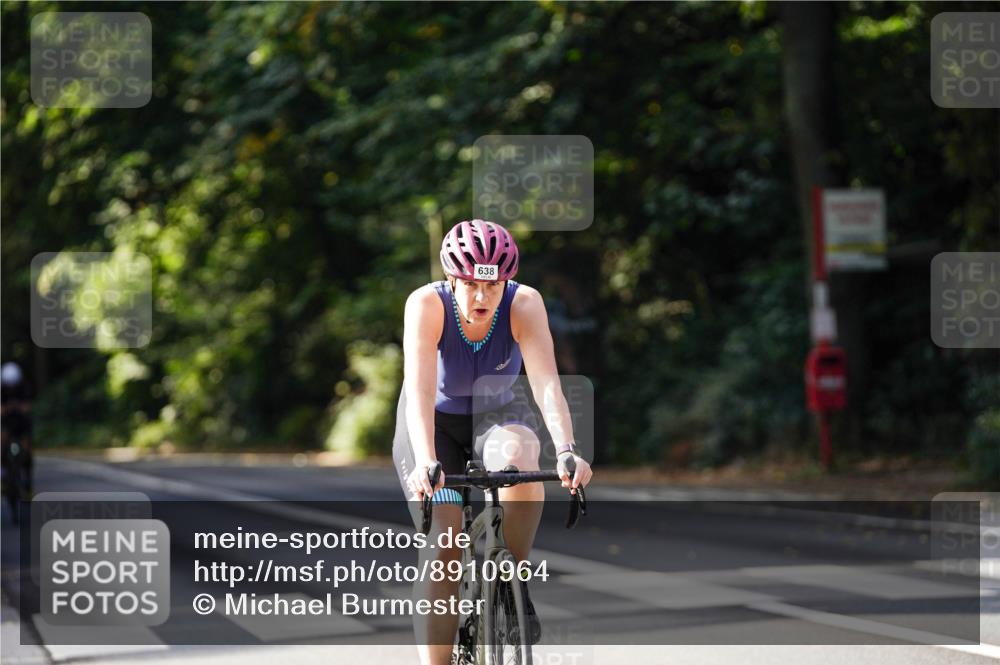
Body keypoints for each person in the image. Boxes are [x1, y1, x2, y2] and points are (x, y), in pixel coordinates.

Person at [392, 219, 594, 665]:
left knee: (522, 457)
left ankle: (510, 581)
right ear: (452, 280)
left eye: (492, 285)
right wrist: (426, 460)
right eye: (470, 284)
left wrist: (566, 449)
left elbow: (546, 386)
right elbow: (419, 392)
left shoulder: (524, 304)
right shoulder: (426, 304)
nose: (481, 297)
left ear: (506, 282)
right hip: (433, 425)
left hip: (495, 415)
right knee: (444, 543)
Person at [1, 361, 34, 500]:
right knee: (2, 442)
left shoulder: (24, 388)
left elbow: (27, 407)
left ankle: (27, 482)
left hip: (22, 424)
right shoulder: (2, 389)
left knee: (27, 449)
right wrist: (8, 408)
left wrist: (18, 407)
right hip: (7, 423)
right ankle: (3, 473)